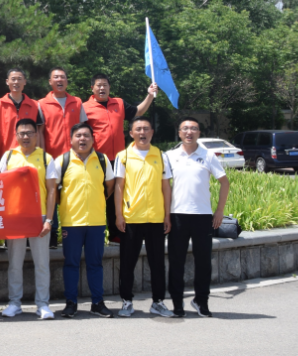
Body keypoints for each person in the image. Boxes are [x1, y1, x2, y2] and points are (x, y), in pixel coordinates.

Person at [45, 123, 115, 318]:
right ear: (71, 140)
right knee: (71, 263)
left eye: (86, 135)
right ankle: (71, 303)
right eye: (78, 135)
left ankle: (97, 303)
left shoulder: (102, 160)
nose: (82, 139)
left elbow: (109, 186)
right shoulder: (62, 161)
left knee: (95, 263)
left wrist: (97, 201)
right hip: (71, 222)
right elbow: (53, 190)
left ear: (93, 139)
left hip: (96, 221)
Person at [82, 73, 158, 244]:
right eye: (98, 85)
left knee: (117, 197)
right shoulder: (85, 108)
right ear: (92, 88)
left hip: (119, 160)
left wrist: (150, 96)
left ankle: (116, 233)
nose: (102, 88)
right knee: (95, 197)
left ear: (109, 87)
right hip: (97, 160)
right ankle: (91, 234)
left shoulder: (119, 103)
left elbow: (138, 111)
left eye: (105, 85)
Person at [166, 118, 230, 317]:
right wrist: (165, 215)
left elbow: (225, 182)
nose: (189, 132)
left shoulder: (208, 155)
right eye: (185, 128)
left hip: (202, 216)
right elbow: (164, 186)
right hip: (177, 215)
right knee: (176, 262)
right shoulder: (170, 156)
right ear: (179, 133)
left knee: (203, 262)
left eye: (193, 128)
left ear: (199, 133)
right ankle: (177, 304)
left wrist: (219, 211)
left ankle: (201, 301)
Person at [114, 116, 174, 318]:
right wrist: (119, 215)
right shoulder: (123, 156)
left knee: (157, 263)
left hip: (156, 218)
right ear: (131, 133)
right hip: (131, 218)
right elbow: (119, 187)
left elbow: (166, 187)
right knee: (127, 263)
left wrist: (167, 215)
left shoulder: (161, 156)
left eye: (146, 129)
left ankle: (158, 302)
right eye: (138, 129)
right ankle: (127, 301)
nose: (142, 132)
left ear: (152, 132)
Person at [0, 118, 55, 319]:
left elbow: (52, 191)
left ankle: (43, 304)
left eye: (29, 133)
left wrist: (49, 220)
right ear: (16, 135)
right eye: (22, 133)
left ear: (36, 135)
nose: (26, 136)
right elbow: (0, 187)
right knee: (14, 262)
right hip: (16, 217)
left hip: (39, 216)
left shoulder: (46, 158)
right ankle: (14, 303)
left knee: (42, 263)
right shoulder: (8, 156)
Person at [36, 67, 84, 248]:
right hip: (51, 158)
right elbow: (40, 132)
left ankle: (73, 233)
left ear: (67, 81)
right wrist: (42, 155)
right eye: (55, 77)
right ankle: (53, 234)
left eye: (62, 77)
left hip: (73, 158)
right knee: (51, 195)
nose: (59, 80)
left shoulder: (77, 102)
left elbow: (83, 130)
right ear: (50, 82)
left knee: (73, 195)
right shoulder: (42, 104)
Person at [0, 68, 44, 159]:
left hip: (30, 157)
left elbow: (39, 133)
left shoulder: (35, 105)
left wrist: (40, 156)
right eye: (13, 79)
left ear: (25, 82)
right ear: (7, 81)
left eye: (19, 79)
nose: (16, 82)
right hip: (6, 156)